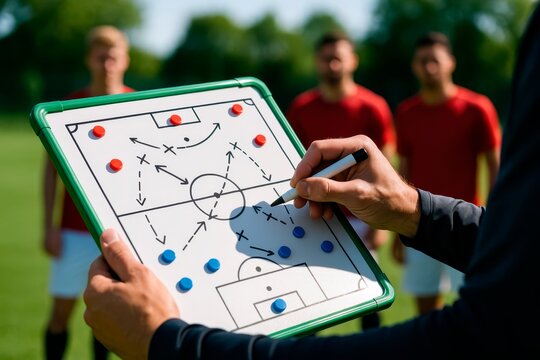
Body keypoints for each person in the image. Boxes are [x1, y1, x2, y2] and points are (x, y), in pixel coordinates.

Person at [83, 4, 540, 358]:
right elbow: (527, 260)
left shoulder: (451, 105)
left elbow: (487, 335)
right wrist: (413, 210)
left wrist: (176, 347)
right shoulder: (309, 104)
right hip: (332, 212)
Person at [286, 30, 396, 329]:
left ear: (353, 61)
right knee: (307, 297)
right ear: (316, 62)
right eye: (326, 58)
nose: (332, 65)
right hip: (315, 214)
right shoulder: (301, 107)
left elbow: (385, 166)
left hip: (363, 214)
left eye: (338, 58)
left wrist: (380, 223)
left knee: (368, 297)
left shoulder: (373, 106)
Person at [391, 31, 502, 315]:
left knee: (481, 308)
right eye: (422, 61)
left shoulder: (477, 108)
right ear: (414, 66)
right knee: (426, 312)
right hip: (418, 220)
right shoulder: (406, 113)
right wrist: (396, 229)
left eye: (435, 61)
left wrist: (495, 216)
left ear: (451, 62)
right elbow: (403, 169)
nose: (429, 68)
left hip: (466, 224)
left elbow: (494, 162)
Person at [42, 25, 133, 360]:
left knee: (107, 319)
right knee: (60, 315)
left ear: (125, 60)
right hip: (73, 231)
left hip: (120, 236)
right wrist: (49, 226)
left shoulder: (137, 104)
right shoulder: (68, 107)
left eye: (113, 56)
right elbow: (51, 171)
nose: (107, 63)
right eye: (100, 56)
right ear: (89, 60)